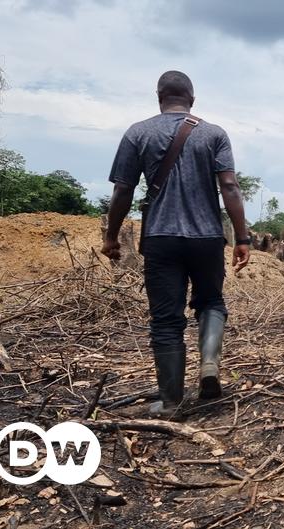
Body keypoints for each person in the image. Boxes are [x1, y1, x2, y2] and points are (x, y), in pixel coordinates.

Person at [101, 70, 250, 418]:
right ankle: (209, 364)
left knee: (166, 321)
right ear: (192, 100)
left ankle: (170, 400)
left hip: (160, 238)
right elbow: (229, 187)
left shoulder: (137, 132)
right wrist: (242, 238)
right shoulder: (214, 133)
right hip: (207, 237)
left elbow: (123, 190)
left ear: (158, 96)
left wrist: (111, 236)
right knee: (211, 300)